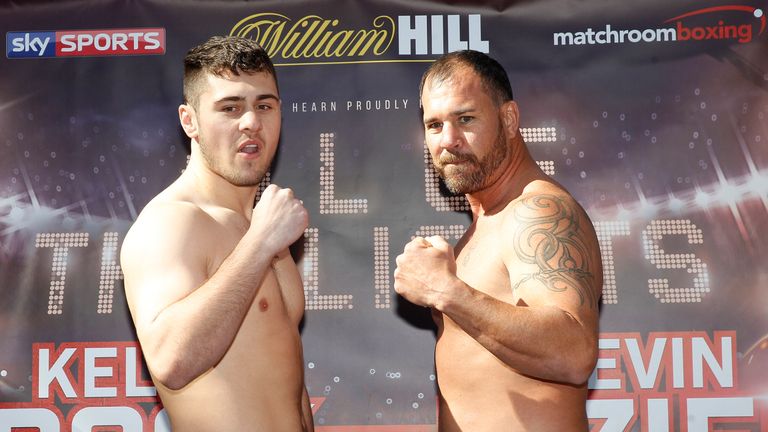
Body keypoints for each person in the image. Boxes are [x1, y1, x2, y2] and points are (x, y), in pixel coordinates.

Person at [394, 50, 603, 431]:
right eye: (435, 125)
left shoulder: (537, 211)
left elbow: (573, 353)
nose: (449, 140)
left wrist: (447, 292)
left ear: (508, 119)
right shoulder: (484, 224)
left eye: (466, 119)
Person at [120, 36, 313, 431]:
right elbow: (172, 361)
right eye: (230, 107)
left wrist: (261, 239)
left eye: (264, 106)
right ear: (189, 120)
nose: (251, 122)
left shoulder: (260, 227)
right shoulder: (172, 222)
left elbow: (287, 391)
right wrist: (259, 244)